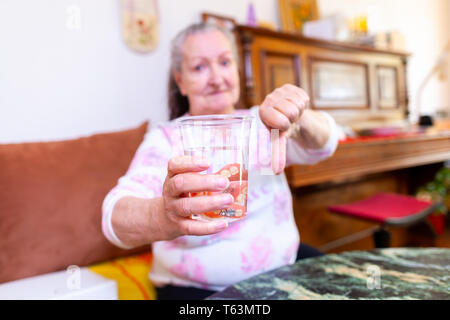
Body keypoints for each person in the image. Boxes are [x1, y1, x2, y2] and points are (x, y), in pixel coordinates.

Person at [102, 22, 338, 300]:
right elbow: (113, 217)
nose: (216, 78)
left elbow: (324, 145)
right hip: (197, 288)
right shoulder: (166, 138)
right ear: (180, 80)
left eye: (224, 62)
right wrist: (163, 214)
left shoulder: (264, 121)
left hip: (281, 269)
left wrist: (301, 116)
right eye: (200, 67)